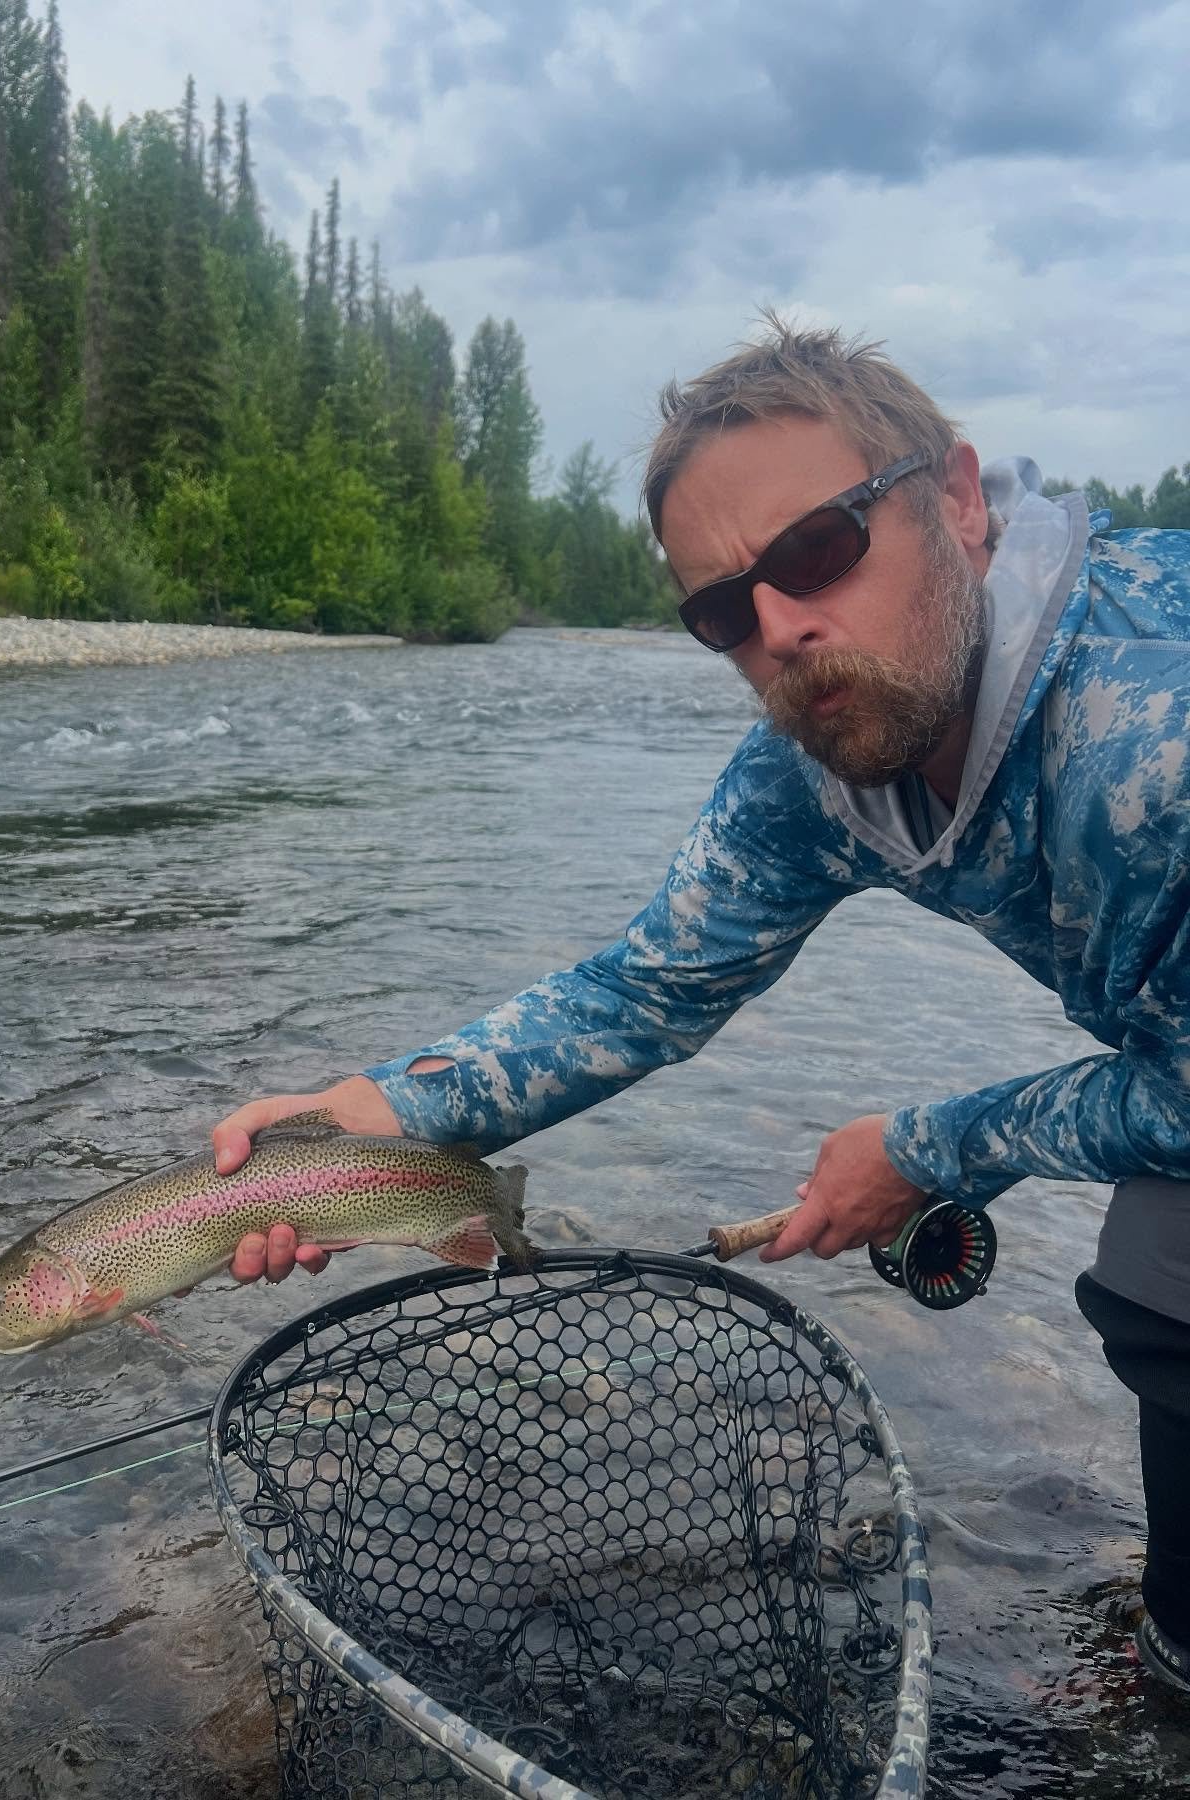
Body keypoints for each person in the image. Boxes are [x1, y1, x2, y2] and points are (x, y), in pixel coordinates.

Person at [210, 317, 1190, 1694]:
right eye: (724, 612)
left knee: (1160, 1269)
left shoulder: (1154, 722)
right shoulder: (821, 765)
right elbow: (644, 990)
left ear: (959, 502)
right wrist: (365, 1121)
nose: (781, 627)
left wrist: (928, 1147)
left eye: (815, 551)